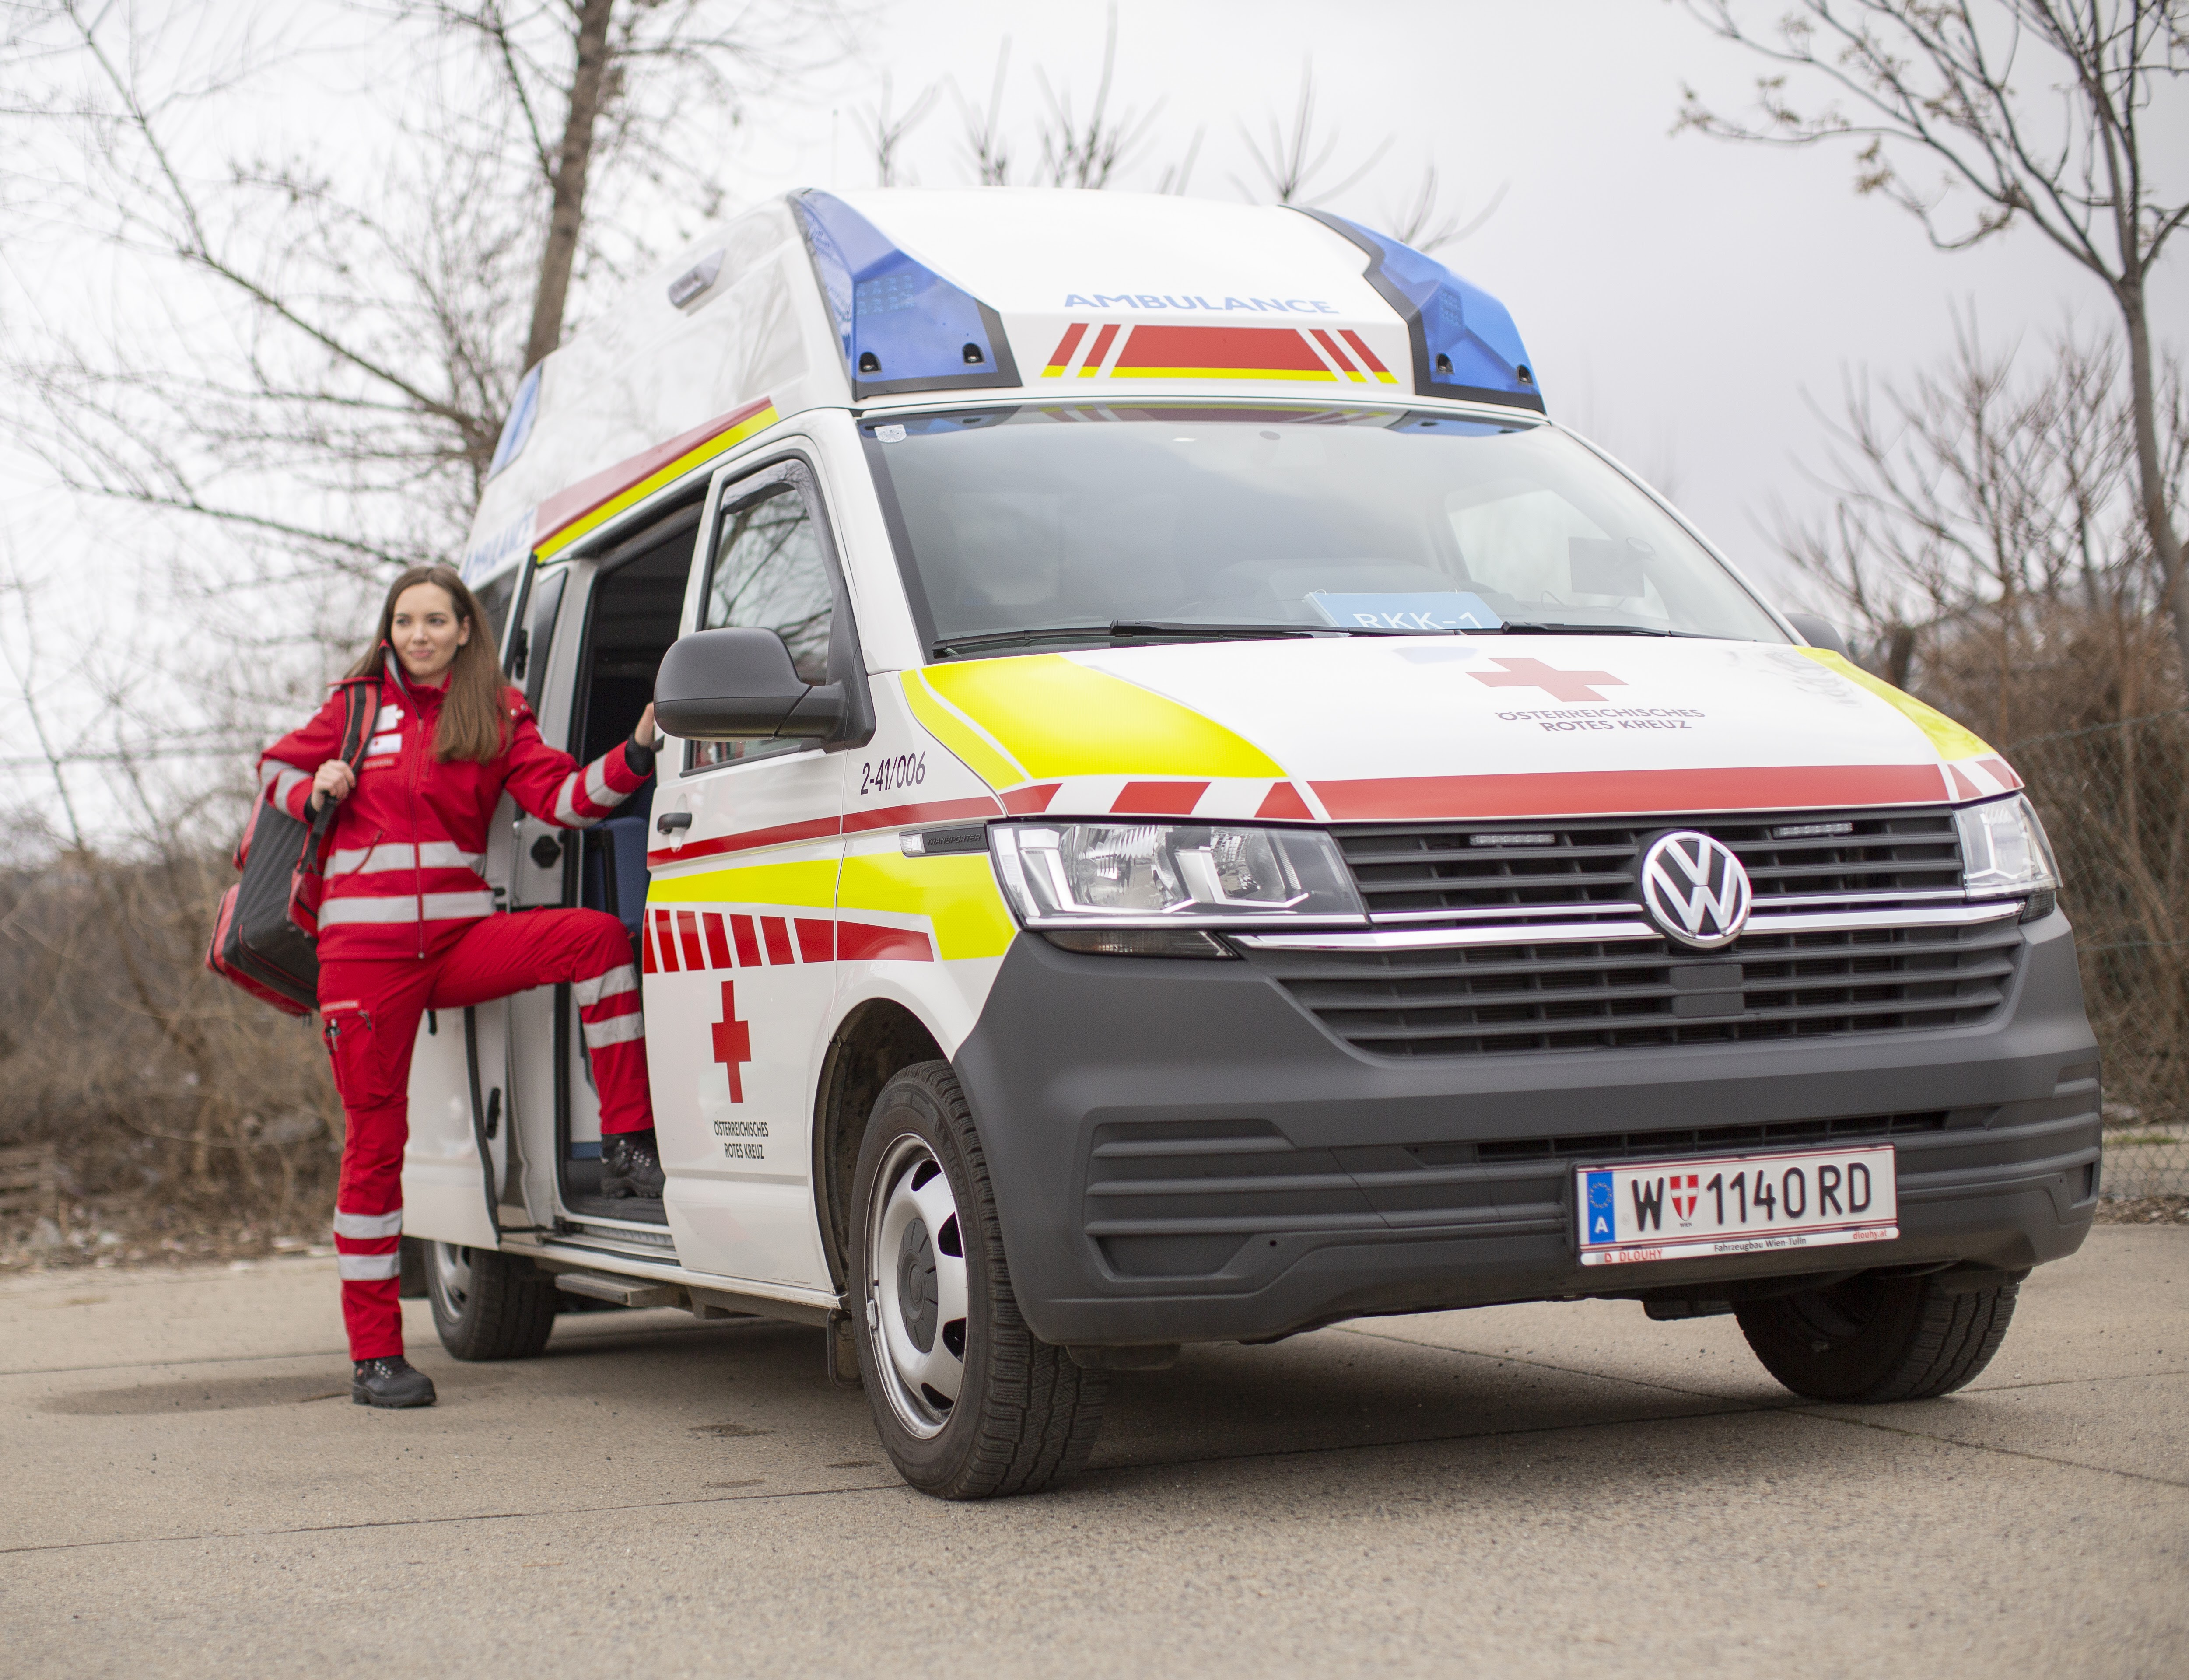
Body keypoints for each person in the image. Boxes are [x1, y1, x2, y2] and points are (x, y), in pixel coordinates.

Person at [259, 564, 663, 1409]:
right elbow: (270, 776)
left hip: (456, 945)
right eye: (405, 621)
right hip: (363, 964)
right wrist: (315, 783)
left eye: (436, 620)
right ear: (389, 630)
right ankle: (375, 1358)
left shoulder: (496, 711)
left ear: (465, 629)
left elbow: (564, 799)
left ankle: (630, 1140)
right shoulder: (355, 708)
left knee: (593, 939)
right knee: (376, 1147)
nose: (419, 635)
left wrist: (635, 752)